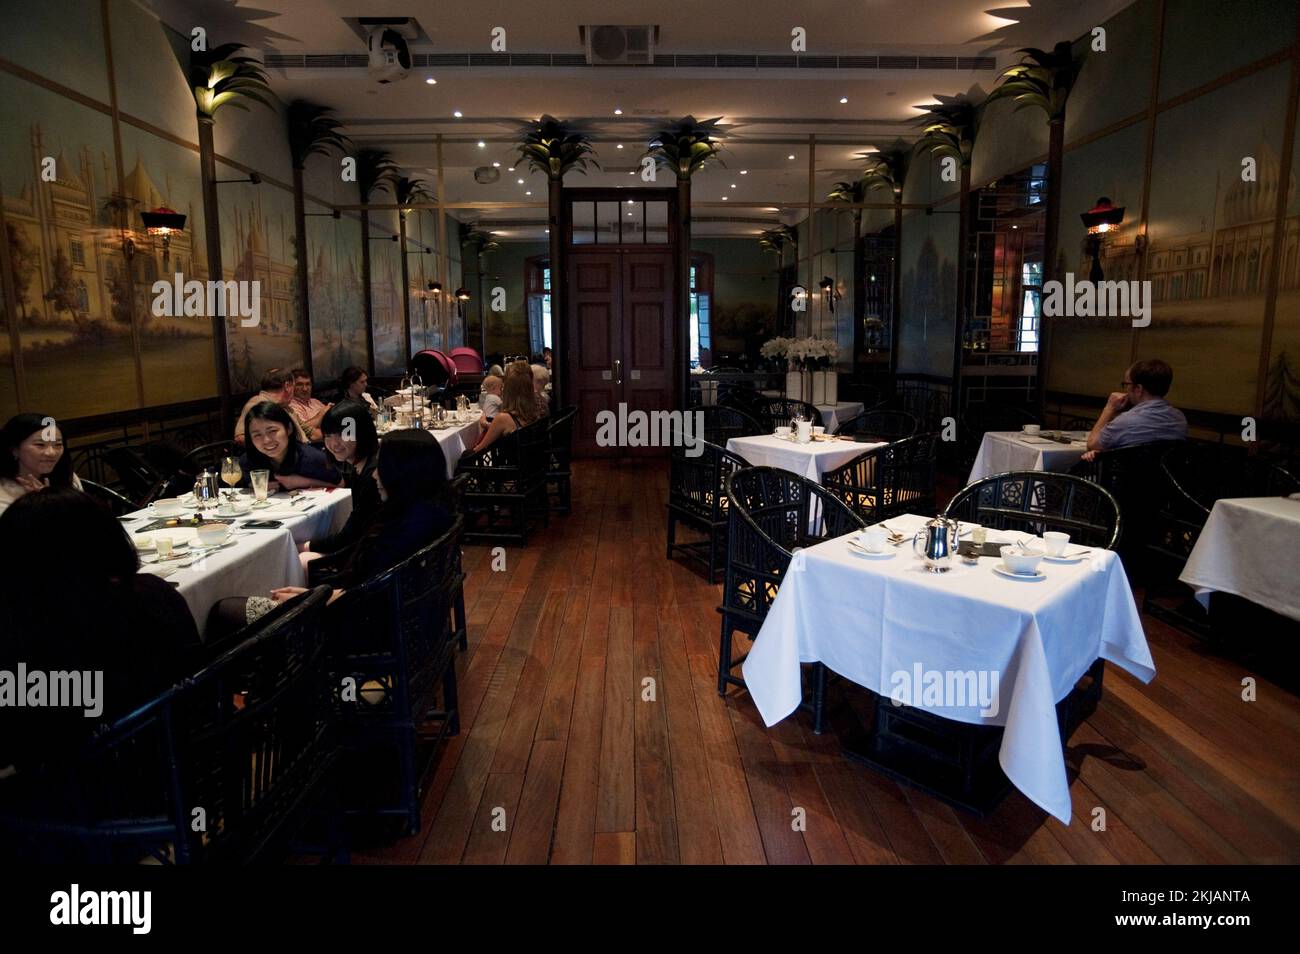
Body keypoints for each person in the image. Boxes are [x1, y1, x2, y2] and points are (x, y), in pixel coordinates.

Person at [0, 488, 201, 777]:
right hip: (185, 759)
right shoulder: (156, 593)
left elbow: (21, 746)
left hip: (99, 796)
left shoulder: (32, 638)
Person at [210, 429, 454, 632]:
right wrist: (316, 593)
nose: (376, 474)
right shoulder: (429, 510)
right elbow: (372, 586)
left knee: (223, 611)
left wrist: (310, 599)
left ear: (404, 473)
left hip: (358, 629)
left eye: (383, 466)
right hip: (392, 619)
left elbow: (370, 597)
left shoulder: (406, 525)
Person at [297, 401, 380, 573]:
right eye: (328, 435)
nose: (334, 443)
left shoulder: (373, 474)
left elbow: (349, 536)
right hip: (367, 546)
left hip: (373, 559)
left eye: (344, 434)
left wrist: (302, 546)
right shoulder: (360, 467)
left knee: (301, 559)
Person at [1081, 359, 1188, 462]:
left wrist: (1109, 408)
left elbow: (1092, 444)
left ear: (1138, 389)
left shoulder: (1126, 421)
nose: (1126, 389)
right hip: (1164, 478)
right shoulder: (1180, 418)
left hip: (1127, 478)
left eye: (1127, 384)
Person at [239, 401, 340, 491]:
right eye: (257, 435)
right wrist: (255, 486)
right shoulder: (248, 461)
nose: (266, 440)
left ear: (289, 429)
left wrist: (304, 482)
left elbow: (342, 486)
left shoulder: (312, 458)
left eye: (273, 431)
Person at [1, 413, 83, 515]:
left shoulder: (68, 477)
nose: (51, 453)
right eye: (40, 445)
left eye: (58, 445)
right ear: (14, 450)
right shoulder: (3, 491)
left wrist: (52, 498)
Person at [471, 360, 540, 454]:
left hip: (511, 466)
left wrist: (484, 422)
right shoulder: (541, 408)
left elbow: (479, 450)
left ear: (508, 388)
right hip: (537, 464)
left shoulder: (503, 418)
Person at [234, 369, 307, 444]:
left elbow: (310, 432)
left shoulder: (287, 409)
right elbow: (240, 438)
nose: (294, 393)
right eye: (294, 387)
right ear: (287, 386)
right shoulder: (256, 405)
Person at [289, 368, 331, 442]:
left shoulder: (315, 401)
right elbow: (302, 429)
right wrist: (323, 413)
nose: (305, 389)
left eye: (308, 384)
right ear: (291, 387)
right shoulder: (291, 406)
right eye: (299, 385)